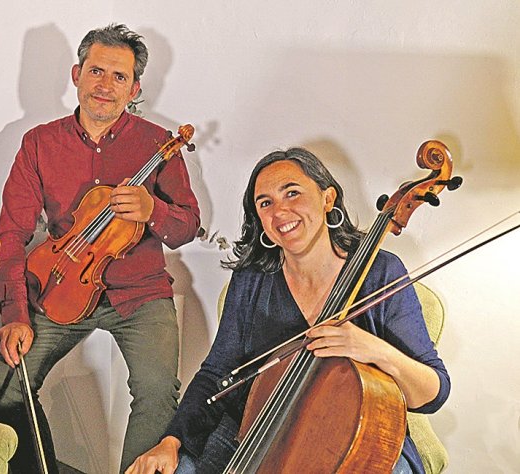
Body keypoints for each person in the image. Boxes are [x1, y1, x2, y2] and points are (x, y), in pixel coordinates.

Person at [128, 148, 451, 474]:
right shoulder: (252, 278)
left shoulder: (380, 273)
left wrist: (371, 348)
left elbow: (434, 392)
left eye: (292, 193)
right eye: (265, 203)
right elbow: (216, 374)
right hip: (256, 435)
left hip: (354, 441)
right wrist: (171, 441)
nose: (280, 211)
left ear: (327, 198)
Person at [0, 24, 201, 473]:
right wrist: (15, 314)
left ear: (134, 89)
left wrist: (153, 209)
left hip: (139, 292)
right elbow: (11, 235)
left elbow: (186, 227)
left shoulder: (159, 145)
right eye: (96, 71)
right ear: (76, 75)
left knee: (158, 393)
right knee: (6, 380)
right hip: (61, 285)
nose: (105, 85)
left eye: (119, 76)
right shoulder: (39, 143)